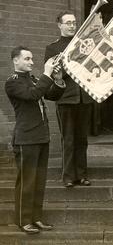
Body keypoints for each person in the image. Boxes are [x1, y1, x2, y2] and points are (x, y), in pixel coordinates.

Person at [5, 46, 66, 234]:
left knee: (39, 181)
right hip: (26, 138)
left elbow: (51, 95)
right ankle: (24, 220)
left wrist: (57, 80)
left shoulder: (33, 79)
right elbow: (33, 96)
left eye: (32, 59)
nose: (32, 62)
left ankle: (36, 218)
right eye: (27, 59)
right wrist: (47, 75)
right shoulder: (12, 82)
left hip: (41, 136)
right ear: (16, 60)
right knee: (27, 181)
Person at [44, 11, 93, 188]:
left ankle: (82, 174)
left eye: (74, 23)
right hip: (65, 98)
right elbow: (51, 73)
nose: (72, 26)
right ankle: (68, 176)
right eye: (68, 23)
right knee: (68, 138)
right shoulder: (53, 48)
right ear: (59, 25)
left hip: (84, 98)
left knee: (82, 139)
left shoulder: (84, 45)